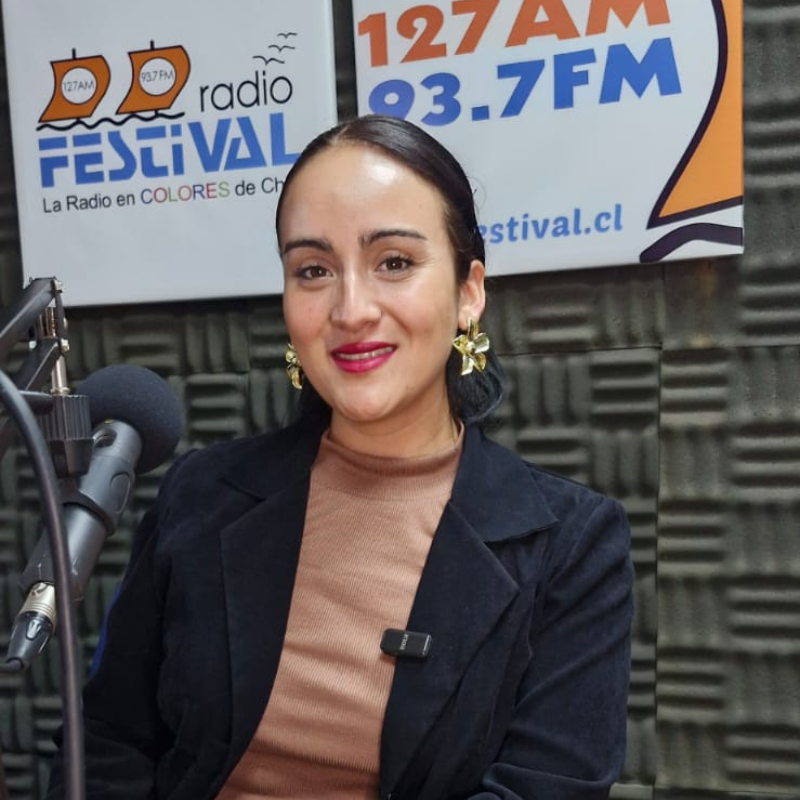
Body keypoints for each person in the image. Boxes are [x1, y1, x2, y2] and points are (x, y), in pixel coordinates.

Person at [46, 114, 633, 800]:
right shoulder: (201, 494)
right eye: (314, 270)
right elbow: (106, 738)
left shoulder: (572, 545)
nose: (351, 310)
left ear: (469, 291)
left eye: (394, 262)